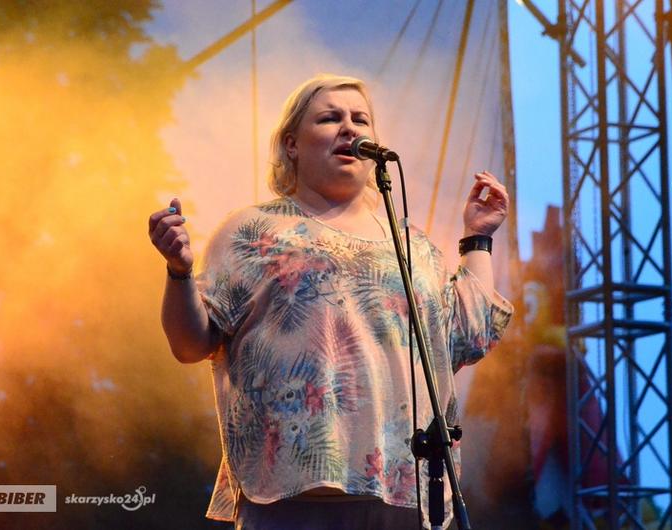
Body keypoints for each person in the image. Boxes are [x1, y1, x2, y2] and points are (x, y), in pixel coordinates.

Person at [148, 73, 513, 530]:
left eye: (360, 119)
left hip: (402, 493)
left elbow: (466, 334)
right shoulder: (252, 230)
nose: (349, 128)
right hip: (293, 497)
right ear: (291, 144)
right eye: (329, 118)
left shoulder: (411, 247)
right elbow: (190, 345)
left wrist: (477, 238)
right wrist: (179, 271)